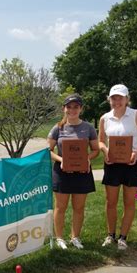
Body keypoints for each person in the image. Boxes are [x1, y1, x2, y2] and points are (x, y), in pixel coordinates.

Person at [98, 84, 137, 250]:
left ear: (127, 99)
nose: (117, 101)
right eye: (114, 98)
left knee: (129, 202)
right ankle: (110, 235)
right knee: (111, 202)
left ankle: (123, 237)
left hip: (131, 163)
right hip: (112, 164)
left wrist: (136, 152)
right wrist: (105, 151)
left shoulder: (136, 115)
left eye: (120, 98)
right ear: (109, 100)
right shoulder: (104, 118)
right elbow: (100, 141)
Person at [47, 94, 99, 250]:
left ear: (81, 109)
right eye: (69, 107)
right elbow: (48, 151)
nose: (72, 110)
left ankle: (75, 237)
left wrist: (87, 158)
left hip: (82, 172)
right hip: (62, 172)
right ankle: (59, 238)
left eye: (76, 107)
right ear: (64, 109)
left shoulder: (89, 128)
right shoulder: (58, 128)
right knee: (60, 207)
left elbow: (96, 150)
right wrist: (62, 160)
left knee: (79, 207)